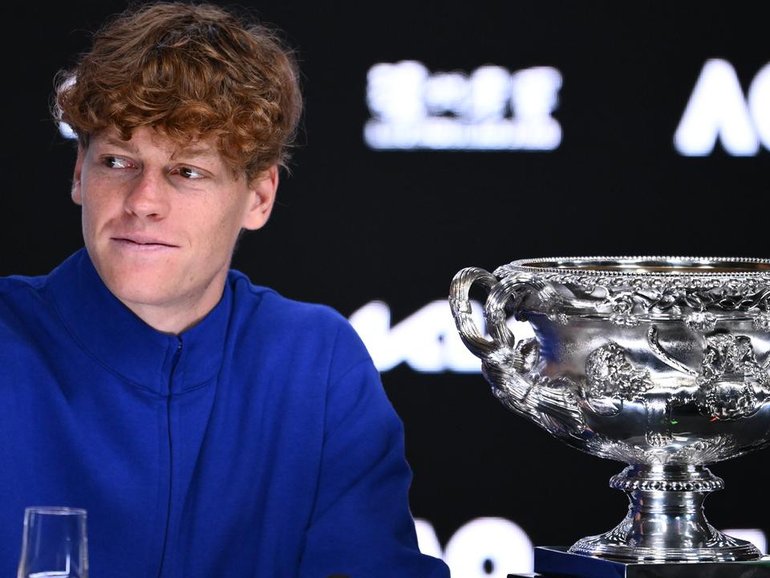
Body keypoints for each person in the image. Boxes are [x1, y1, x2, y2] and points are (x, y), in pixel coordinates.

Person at [0, 2, 451, 577]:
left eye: (186, 171)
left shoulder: (316, 363)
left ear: (259, 197)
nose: (142, 202)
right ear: (78, 175)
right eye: (117, 160)